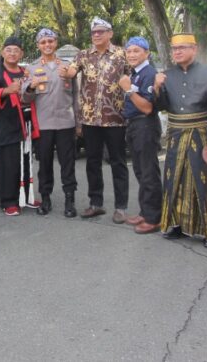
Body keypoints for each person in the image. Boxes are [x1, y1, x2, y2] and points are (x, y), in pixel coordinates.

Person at [153, 33, 207, 248]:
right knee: (174, 179)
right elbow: (162, 106)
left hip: (200, 133)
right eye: (174, 49)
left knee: (202, 181)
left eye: (183, 47)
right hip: (175, 133)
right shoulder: (166, 75)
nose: (178, 52)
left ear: (194, 48)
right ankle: (176, 224)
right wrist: (156, 88)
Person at [60, 18, 130, 222]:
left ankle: (121, 207)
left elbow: (133, 77)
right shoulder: (83, 55)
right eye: (93, 33)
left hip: (115, 118)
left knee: (118, 162)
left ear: (110, 33)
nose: (96, 35)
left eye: (100, 32)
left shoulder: (122, 54)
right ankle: (96, 203)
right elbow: (71, 71)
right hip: (90, 119)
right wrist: (65, 72)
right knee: (92, 162)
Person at [0, 36, 40, 216]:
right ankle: (9, 201)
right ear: (3, 52)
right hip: (6, 125)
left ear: (21, 53)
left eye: (16, 50)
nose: (12, 53)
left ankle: (26, 196)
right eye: (9, 50)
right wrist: (7, 91)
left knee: (26, 162)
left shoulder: (25, 72)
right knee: (8, 164)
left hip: (26, 124)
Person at [26, 28, 77, 217]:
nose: (47, 45)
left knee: (68, 164)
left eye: (50, 41)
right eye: (43, 42)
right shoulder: (31, 68)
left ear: (55, 43)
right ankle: (45, 199)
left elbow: (76, 95)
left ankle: (69, 201)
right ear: (38, 45)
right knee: (44, 164)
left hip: (65, 123)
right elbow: (24, 97)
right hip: (44, 125)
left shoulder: (67, 67)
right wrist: (30, 86)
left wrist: (78, 122)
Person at [119, 37, 162, 234]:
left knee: (148, 173)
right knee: (140, 171)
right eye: (129, 51)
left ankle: (154, 218)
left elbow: (147, 108)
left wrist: (128, 90)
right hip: (134, 126)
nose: (132, 55)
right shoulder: (136, 73)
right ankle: (145, 212)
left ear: (147, 53)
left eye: (136, 51)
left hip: (145, 126)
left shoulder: (149, 73)